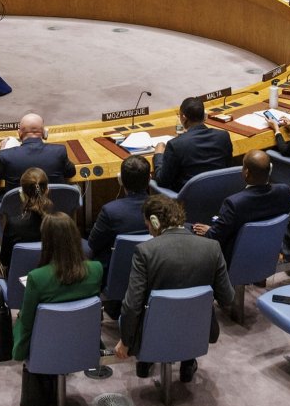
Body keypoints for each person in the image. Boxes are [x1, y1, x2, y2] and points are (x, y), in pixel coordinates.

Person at [113, 195, 235, 381]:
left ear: (154, 222)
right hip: (198, 329)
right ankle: (188, 361)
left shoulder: (145, 251)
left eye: (147, 225)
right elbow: (227, 298)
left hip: (153, 331)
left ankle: (146, 359)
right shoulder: (212, 248)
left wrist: (125, 341)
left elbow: (132, 306)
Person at [13, 213, 104, 406]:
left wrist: (18, 350)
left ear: (46, 241)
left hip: (44, 347)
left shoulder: (37, 278)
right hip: (84, 346)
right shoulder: (96, 270)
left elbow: (27, 323)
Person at [194, 149, 290, 260]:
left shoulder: (234, 204)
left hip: (234, 259)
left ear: (246, 173)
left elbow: (215, 237)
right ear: (270, 169)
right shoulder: (284, 191)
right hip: (268, 253)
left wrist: (210, 230)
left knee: (189, 229)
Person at [88, 155, 153, 289]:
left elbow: (93, 244)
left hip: (114, 274)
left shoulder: (110, 211)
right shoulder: (162, 207)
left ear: (120, 180)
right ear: (149, 180)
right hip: (152, 273)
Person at [154, 97, 234, 191]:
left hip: (186, 200)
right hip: (219, 193)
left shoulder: (175, 145)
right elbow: (228, 169)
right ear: (204, 116)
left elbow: (162, 181)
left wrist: (158, 155)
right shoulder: (223, 136)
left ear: (183, 117)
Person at [0, 113, 75, 186]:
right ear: (44, 133)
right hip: (55, 203)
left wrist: (2, 150)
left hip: (17, 204)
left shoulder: (6, 155)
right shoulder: (59, 151)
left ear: (19, 133)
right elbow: (71, 173)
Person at [0, 167, 53, 270]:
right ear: (47, 191)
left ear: (22, 194)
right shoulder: (62, 223)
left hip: (19, 280)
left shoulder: (13, 225)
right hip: (50, 279)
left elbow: (5, 261)